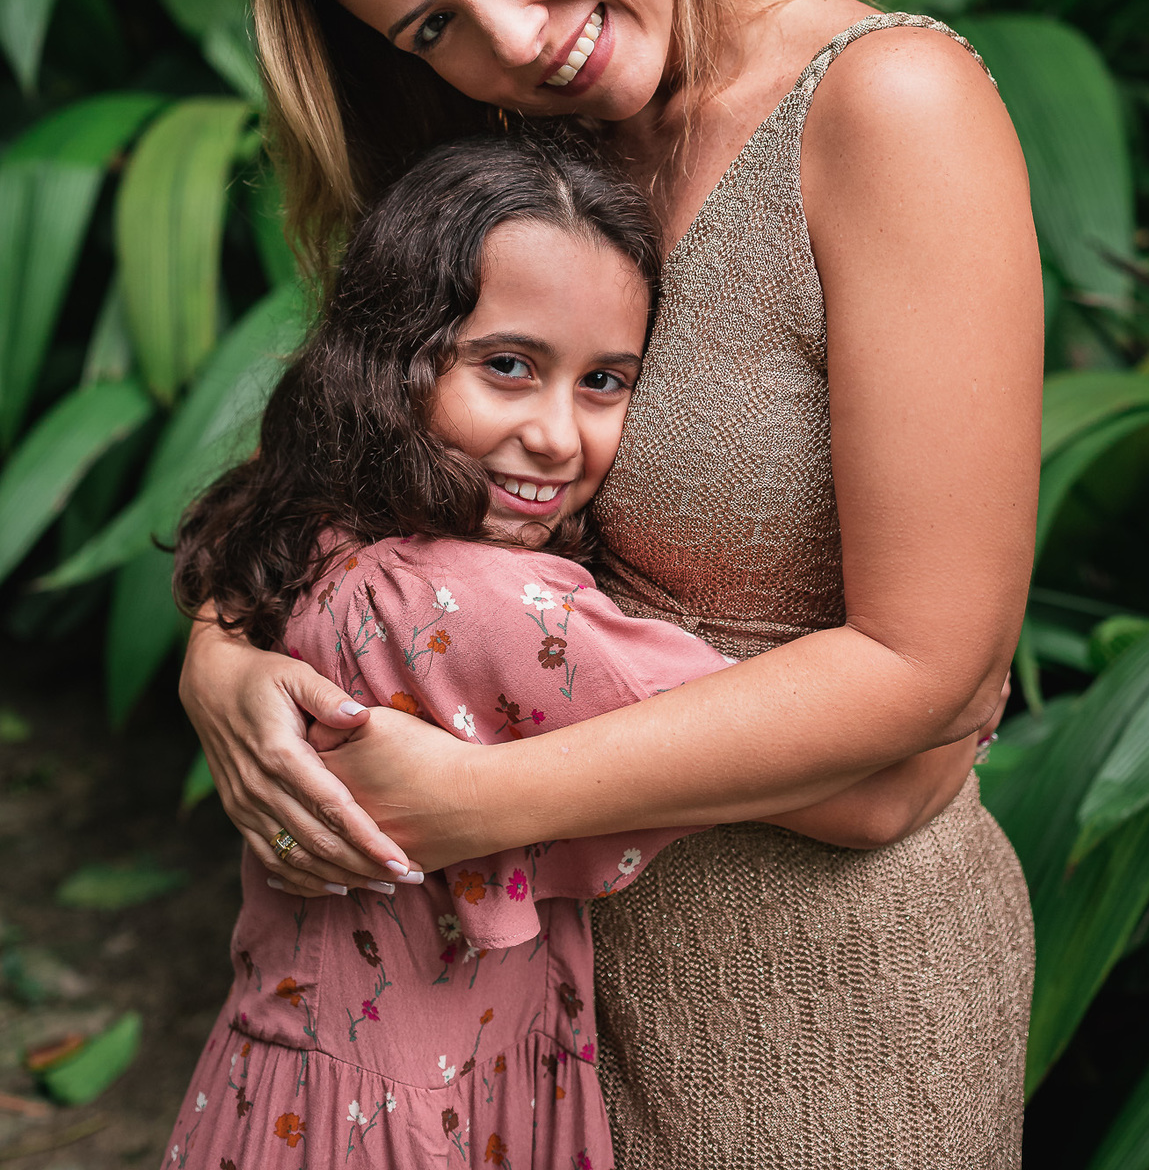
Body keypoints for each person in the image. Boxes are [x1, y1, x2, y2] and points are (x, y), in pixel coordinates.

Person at [180, 0, 1043, 1167]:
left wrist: (478, 800)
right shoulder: (525, 167)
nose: (512, 37)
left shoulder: (885, 109)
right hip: (521, 1007)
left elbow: (920, 695)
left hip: (824, 999)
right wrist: (227, 663)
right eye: (435, 27)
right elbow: (335, 466)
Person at [163, 135, 982, 1167]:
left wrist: (217, 655)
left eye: (604, 382)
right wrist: (957, 696)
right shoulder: (489, 607)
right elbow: (871, 790)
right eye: (507, 367)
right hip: (418, 1127)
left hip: (272, 1091)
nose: (557, 434)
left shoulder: (322, 539)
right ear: (391, 361)